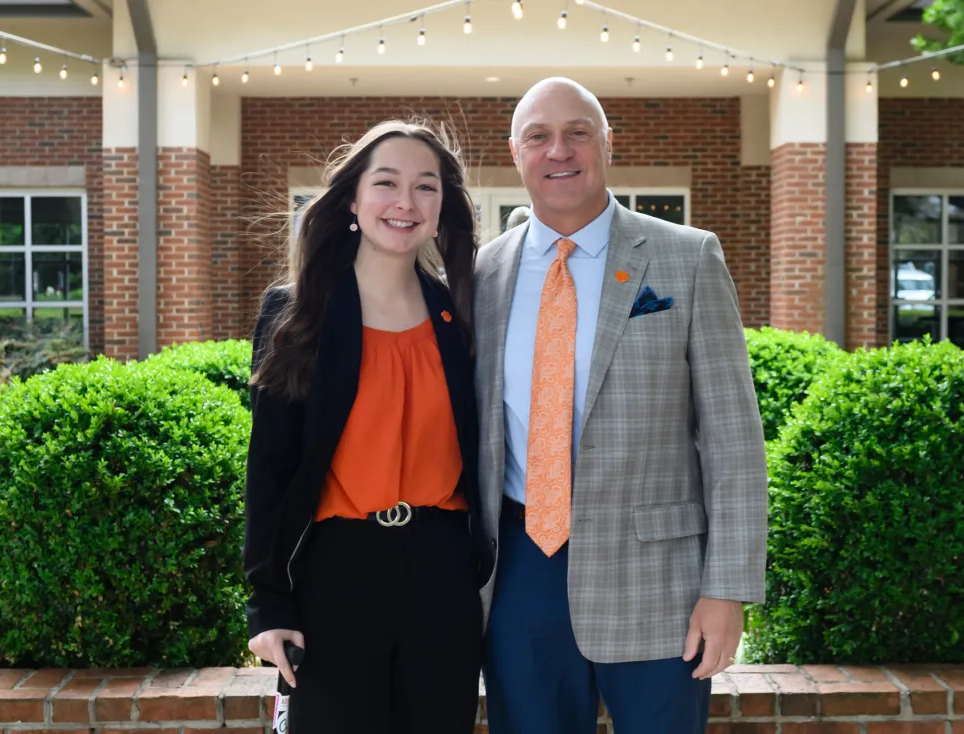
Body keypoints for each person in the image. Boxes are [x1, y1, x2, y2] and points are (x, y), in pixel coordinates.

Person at [472, 77, 768, 734]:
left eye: (578, 132)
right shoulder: (482, 274)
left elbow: (733, 439)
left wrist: (727, 589)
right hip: (521, 572)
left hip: (659, 580)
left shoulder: (687, 258)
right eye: (539, 136)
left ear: (607, 143)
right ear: (515, 153)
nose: (560, 150)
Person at [242, 118, 494, 734]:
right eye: (386, 182)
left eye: (425, 187)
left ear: (442, 209)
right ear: (352, 199)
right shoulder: (295, 312)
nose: (405, 202)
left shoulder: (459, 312)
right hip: (336, 575)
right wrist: (268, 603)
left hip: (442, 573)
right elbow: (269, 470)